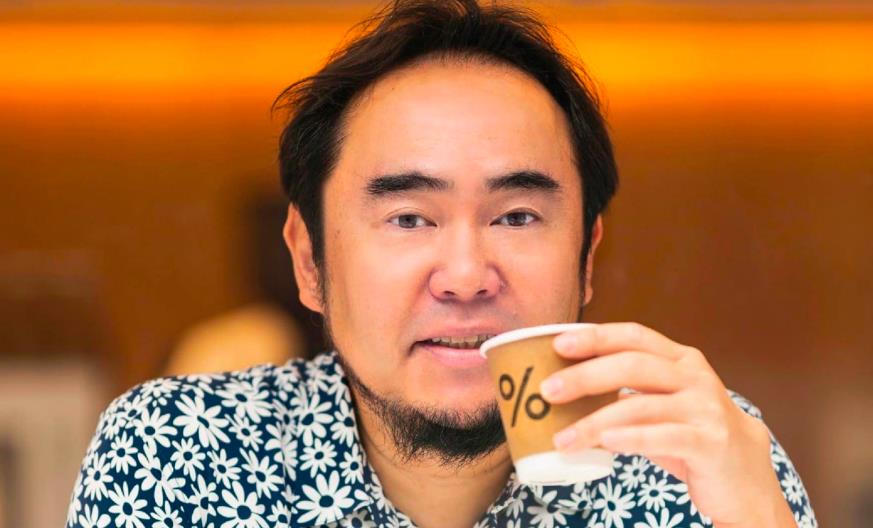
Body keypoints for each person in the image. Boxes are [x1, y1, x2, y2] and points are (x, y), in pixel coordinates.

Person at [66, 1, 818, 527]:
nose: (465, 276)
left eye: (516, 216)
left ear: (587, 259)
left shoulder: (701, 457)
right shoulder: (178, 451)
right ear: (309, 262)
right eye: (408, 218)